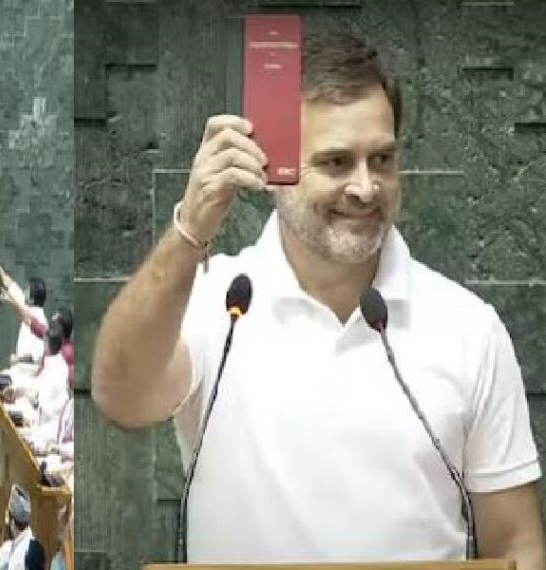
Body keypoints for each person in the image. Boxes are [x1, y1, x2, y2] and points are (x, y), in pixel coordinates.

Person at [91, 31, 544, 566]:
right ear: (274, 170)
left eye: (381, 159)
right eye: (335, 162)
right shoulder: (220, 303)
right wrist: (190, 229)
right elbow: (121, 396)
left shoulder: (470, 328)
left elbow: (516, 542)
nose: (365, 187)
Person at [0, 252, 49, 364]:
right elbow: (11, 285)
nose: (24, 292)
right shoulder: (27, 307)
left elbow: (37, 355)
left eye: (27, 291)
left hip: (29, 373)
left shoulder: (40, 321)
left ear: (32, 299)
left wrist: (18, 359)